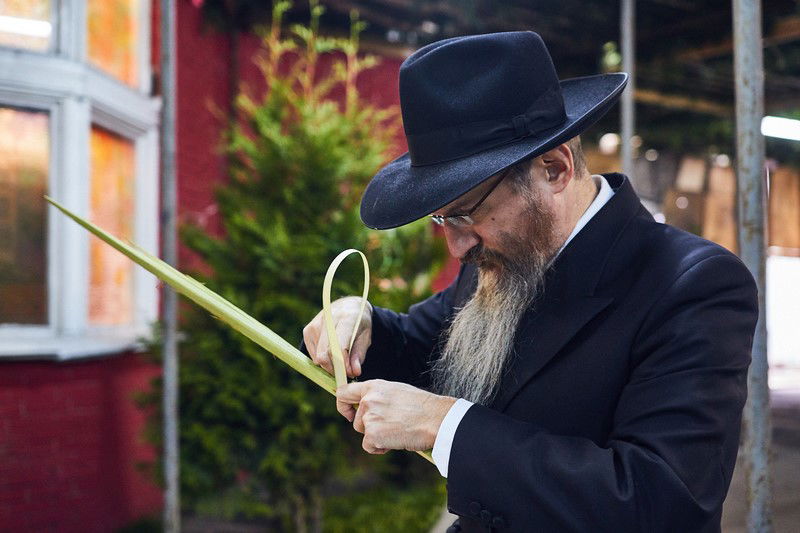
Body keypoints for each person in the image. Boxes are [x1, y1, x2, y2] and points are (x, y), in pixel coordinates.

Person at [302, 32, 758, 532]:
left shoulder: (693, 284)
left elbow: (657, 500)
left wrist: (442, 424)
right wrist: (359, 320)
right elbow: (421, 348)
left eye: (467, 213)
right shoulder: (500, 255)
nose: (457, 248)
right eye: (442, 220)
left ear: (554, 168)